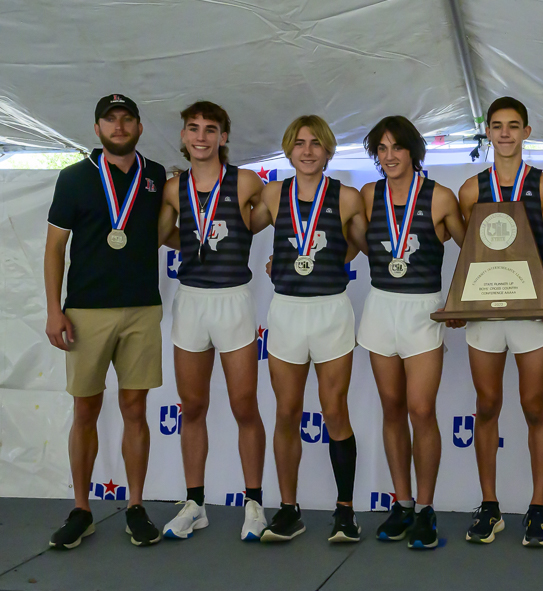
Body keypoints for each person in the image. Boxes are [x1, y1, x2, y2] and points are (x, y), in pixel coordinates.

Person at [45, 94, 177, 548]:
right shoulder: (75, 178)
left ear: (139, 126)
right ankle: (81, 509)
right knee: (85, 409)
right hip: (85, 310)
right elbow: (54, 249)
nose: (118, 127)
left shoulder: (157, 176)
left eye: (127, 120)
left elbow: (170, 229)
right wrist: (53, 309)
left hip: (142, 308)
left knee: (135, 409)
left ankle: (135, 506)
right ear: (97, 127)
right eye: (110, 120)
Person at [248, 116, 368, 542]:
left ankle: (345, 511)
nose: (307, 150)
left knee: (335, 411)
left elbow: (366, 244)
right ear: (287, 149)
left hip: (331, 310)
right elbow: (242, 226)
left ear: (329, 150)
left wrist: (330, 259)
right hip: (286, 310)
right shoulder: (273, 193)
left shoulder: (348, 197)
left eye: (316, 143)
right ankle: (289, 509)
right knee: (286, 412)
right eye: (299, 142)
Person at [457, 97, 543, 548]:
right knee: (486, 405)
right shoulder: (469, 189)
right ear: (488, 132)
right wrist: (461, 303)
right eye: (497, 126)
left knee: (533, 405)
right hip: (485, 313)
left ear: (526, 131)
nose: (504, 134)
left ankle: (538, 507)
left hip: (532, 312)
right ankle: (490, 506)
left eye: (513, 126)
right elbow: (471, 254)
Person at [160, 101, 269, 541]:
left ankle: (255, 503)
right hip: (191, 302)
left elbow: (266, 220)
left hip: (233, 300)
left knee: (245, 406)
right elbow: (166, 235)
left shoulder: (245, 181)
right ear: (184, 137)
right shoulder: (172, 188)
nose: (202, 136)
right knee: (194, 407)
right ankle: (195, 504)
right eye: (194, 128)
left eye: (211, 129)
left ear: (224, 136)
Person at [358, 116, 466, 549]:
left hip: (423, 309)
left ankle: (425, 508)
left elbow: (474, 248)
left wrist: (459, 300)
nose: (389, 156)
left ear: (413, 151)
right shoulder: (368, 195)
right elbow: (348, 239)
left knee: (421, 409)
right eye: (381, 149)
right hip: (381, 305)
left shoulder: (439, 197)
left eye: (397, 148)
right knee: (391, 406)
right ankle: (401, 503)